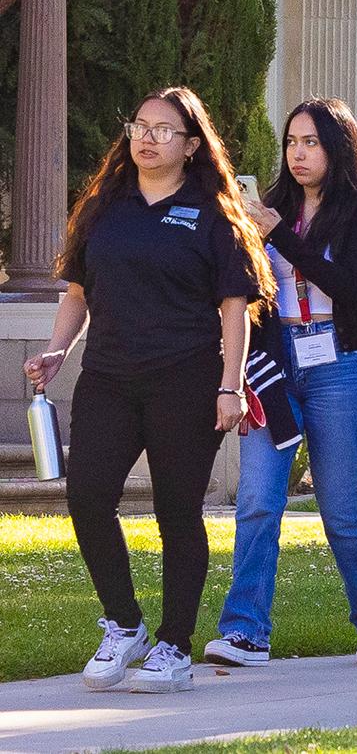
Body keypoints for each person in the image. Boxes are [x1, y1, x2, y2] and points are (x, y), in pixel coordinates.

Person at [25, 89, 268, 693]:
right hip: (107, 378)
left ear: (190, 146)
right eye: (140, 125)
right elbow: (77, 292)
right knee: (86, 497)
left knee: (176, 513)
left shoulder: (212, 213)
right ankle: (124, 623)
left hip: (185, 382)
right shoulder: (104, 207)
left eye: (164, 130)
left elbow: (234, 307)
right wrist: (59, 351)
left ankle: (174, 646)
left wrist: (230, 386)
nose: (147, 137)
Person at [207, 99, 357, 669]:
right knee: (258, 501)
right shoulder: (273, 204)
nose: (298, 153)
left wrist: (281, 239)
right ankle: (245, 631)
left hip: (340, 363)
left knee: (340, 503)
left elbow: (347, 285)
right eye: (292, 141)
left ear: (338, 147)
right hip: (273, 364)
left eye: (311, 142)